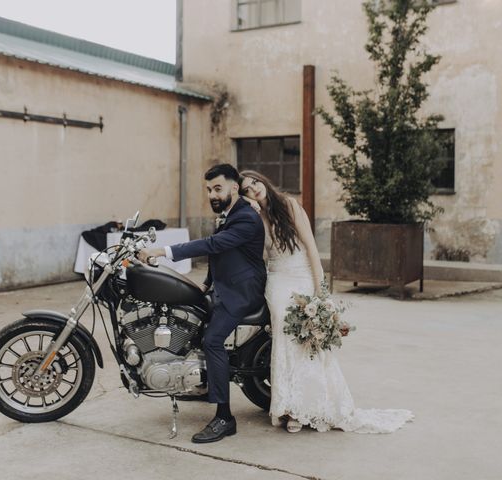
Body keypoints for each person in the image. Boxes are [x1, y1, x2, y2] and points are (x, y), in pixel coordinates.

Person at [240, 170, 414, 434]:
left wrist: (320, 290)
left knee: (310, 341)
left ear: (263, 181)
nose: (254, 189)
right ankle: (288, 408)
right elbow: (261, 254)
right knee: (285, 339)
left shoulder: (289, 205)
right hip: (278, 281)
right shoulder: (254, 217)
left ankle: (308, 407)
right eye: (247, 189)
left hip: (302, 275)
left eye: (255, 182)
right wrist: (252, 212)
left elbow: (310, 246)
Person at [138, 163, 266, 443]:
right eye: (209, 189)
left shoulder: (246, 218)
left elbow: (212, 245)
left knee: (212, 340)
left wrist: (162, 250)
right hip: (225, 286)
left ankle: (224, 418)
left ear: (234, 187)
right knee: (187, 318)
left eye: (218, 188)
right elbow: (219, 254)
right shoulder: (229, 212)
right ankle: (204, 383)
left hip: (242, 292)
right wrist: (206, 285)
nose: (212, 194)